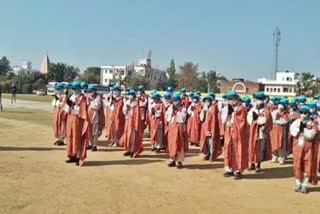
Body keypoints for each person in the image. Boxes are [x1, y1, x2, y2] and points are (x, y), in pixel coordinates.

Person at [290, 105, 319, 194]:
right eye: (301, 112)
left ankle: (305, 185)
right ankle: (298, 183)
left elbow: (311, 136)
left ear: (308, 113)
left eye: (305, 113)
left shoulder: (313, 124)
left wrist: (304, 129)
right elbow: (293, 132)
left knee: (308, 165)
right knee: (297, 165)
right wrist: (299, 129)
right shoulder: (296, 122)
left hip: (308, 149)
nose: (303, 115)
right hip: (297, 147)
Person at [222, 91, 248, 180]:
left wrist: (234, 116)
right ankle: (229, 169)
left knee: (238, 149)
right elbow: (223, 121)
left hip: (237, 131)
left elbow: (242, 122)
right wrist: (228, 114)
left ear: (237, 99)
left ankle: (238, 170)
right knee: (228, 148)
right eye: (229, 99)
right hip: (229, 130)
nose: (231, 101)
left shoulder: (241, 109)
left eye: (232, 99)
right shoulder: (226, 108)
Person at [65, 81, 89, 166]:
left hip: (78, 121)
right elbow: (67, 109)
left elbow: (82, 111)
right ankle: (72, 155)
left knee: (77, 137)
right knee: (70, 136)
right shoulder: (72, 96)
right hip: (70, 119)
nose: (74, 90)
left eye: (75, 88)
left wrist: (73, 105)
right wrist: (68, 104)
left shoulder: (82, 98)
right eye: (73, 89)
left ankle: (78, 156)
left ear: (79, 89)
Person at [247, 92, 272, 173]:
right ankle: (252, 163)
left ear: (264, 100)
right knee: (252, 148)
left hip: (261, 132)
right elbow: (249, 118)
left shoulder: (266, 110)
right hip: (253, 131)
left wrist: (258, 120)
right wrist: (254, 121)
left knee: (260, 149)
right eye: (258, 99)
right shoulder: (252, 109)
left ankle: (258, 165)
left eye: (261, 99)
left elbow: (267, 120)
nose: (259, 101)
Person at [165, 92, 188, 169]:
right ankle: (172, 159)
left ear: (180, 100)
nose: (176, 102)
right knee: (172, 143)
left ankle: (179, 161)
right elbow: (167, 117)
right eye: (174, 100)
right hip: (172, 128)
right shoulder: (170, 107)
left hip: (179, 128)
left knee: (179, 143)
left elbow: (183, 119)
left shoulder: (183, 108)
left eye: (177, 100)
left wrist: (177, 112)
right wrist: (172, 112)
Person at [199, 95, 221, 162]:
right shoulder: (205, 108)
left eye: (208, 101)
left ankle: (212, 155)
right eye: (205, 101)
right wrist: (204, 113)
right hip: (204, 127)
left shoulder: (213, 108)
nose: (207, 102)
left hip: (211, 127)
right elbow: (201, 117)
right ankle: (207, 154)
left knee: (211, 142)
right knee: (205, 142)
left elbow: (213, 120)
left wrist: (211, 129)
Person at [122, 89, 144, 158]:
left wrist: (136, 122)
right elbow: (124, 111)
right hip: (128, 120)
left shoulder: (136, 103)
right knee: (127, 135)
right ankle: (128, 149)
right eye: (129, 94)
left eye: (131, 94)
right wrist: (127, 109)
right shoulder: (127, 102)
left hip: (134, 121)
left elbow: (137, 113)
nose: (130, 96)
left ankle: (133, 150)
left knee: (133, 136)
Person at [270, 98, 290, 165]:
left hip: (282, 131)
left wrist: (277, 120)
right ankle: (274, 157)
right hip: (274, 130)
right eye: (279, 104)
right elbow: (271, 119)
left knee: (281, 144)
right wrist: (276, 120)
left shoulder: (286, 113)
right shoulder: (274, 112)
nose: (280, 106)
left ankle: (281, 158)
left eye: (282, 105)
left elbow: (284, 121)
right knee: (274, 144)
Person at [86, 84, 105, 152]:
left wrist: (90, 102)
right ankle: (91, 144)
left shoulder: (98, 97)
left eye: (91, 91)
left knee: (95, 131)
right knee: (89, 130)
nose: (90, 93)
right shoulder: (88, 96)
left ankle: (95, 145)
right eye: (89, 91)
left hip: (95, 115)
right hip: (88, 114)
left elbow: (97, 106)